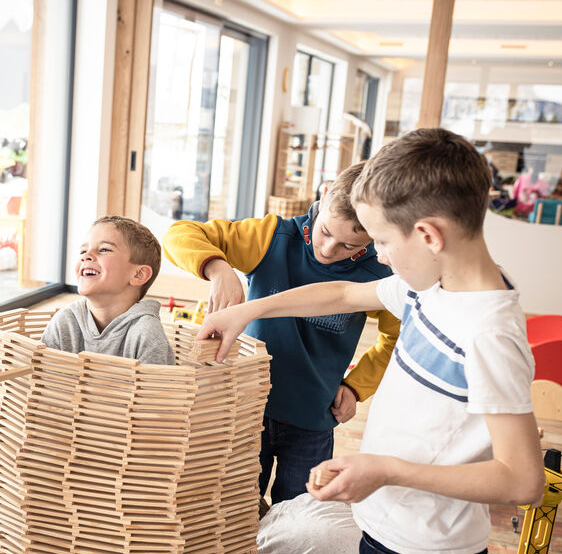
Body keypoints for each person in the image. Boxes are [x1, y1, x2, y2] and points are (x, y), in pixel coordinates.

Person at [199, 127, 545, 554]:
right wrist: (247, 311)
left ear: (429, 234)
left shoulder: (487, 333)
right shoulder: (433, 287)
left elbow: (523, 478)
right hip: (389, 528)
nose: (375, 258)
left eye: (381, 242)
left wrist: (384, 469)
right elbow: (339, 295)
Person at [163, 161, 399, 509]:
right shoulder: (271, 236)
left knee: (299, 515)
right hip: (245, 412)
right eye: (326, 232)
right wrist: (218, 268)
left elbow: (395, 340)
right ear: (325, 194)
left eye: (349, 245)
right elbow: (178, 234)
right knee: (234, 509)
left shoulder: (380, 272)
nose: (330, 249)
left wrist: (356, 386)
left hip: (314, 420)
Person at [41, 215, 174, 365]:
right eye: (83, 251)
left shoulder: (147, 333)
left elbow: (158, 387)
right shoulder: (64, 321)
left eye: (104, 250)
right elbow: (43, 377)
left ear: (138, 274)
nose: (87, 256)